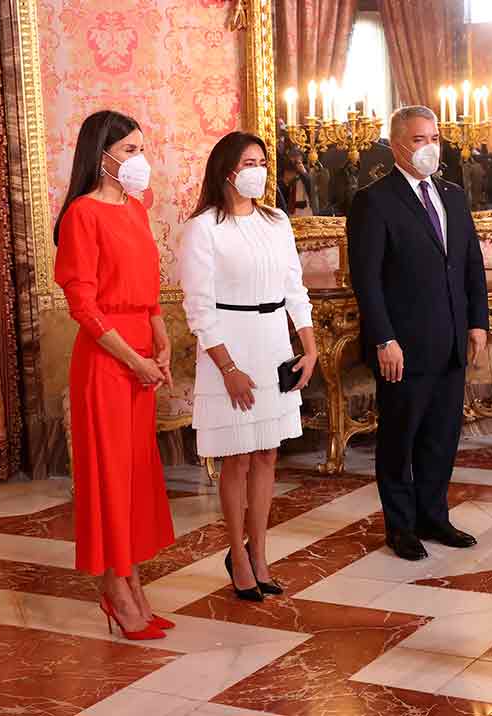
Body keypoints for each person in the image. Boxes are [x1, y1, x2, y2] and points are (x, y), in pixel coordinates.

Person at [175, 131, 318, 600]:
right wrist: (228, 367)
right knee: (235, 457)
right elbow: (197, 307)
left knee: (267, 453)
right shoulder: (203, 228)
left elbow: (295, 289)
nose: (258, 169)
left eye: (262, 161)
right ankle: (235, 553)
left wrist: (309, 347)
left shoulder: (277, 221)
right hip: (228, 346)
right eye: (249, 162)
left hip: (274, 340)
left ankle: (260, 553)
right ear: (227, 171)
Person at [347, 105, 490, 562]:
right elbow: (366, 280)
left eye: (434, 138)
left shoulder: (453, 194)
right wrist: (383, 339)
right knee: (400, 438)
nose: (430, 147)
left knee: (441, 436)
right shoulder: (375, 200)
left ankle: (434, 516)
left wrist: (477, 321)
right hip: (402, 347)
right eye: (418, 140)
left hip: (451, 341)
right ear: (395, 146)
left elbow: (469, 264)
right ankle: (401, 527)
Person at [54, 110, 176, 641]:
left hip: (143, 352)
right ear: (101, 156)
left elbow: (147, 286)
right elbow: (82, 304)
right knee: (109, 475)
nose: (139, 161)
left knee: (135, 475)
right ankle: (114, 587)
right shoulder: (82, 215)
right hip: (107, 361)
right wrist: (134, 357)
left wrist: (163, 336)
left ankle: (133, 580)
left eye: (141, 150)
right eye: (129, 151)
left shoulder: (137, 208)